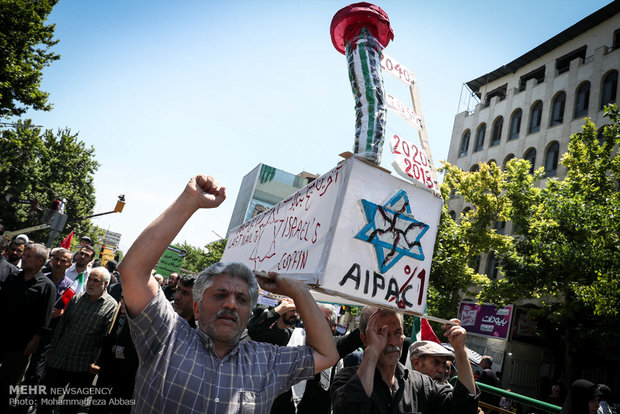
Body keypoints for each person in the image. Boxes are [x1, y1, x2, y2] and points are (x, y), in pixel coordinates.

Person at [118, 174, 339, 413]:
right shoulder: (167, 337)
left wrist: (298, 291)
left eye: (242, 299)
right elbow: (133, 272)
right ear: (196, 308)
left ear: (249, 312)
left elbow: (326, 355)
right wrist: (189, 201)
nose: (231, 304)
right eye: (220, 295)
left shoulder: (267, 362)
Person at [330, 306, 479, 414]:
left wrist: (460, 351)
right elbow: (349, 407)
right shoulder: (346, 378)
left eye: (397, 333)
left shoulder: (421, 384)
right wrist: (373, 350)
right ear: (364, 338)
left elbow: (464, 406)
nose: (393, 342)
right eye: (382, 333)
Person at [39, 267, 117, 414]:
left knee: (70, 407)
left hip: (83, 365)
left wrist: (97, 363)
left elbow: (105, 339)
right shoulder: (77, 298)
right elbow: (62, 326)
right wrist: (52, 350)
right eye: (89, 279)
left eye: (96, 281)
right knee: (46, 401)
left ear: (105, 284)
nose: (90, 283)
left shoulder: (111, 306)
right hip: (59, 358)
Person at [0, 243, 55, 412]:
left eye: (28, 256)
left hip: (21, 345)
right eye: (24, 255)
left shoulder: (47, 287)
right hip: (2, 336)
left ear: (40, 261)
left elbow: (44, 321)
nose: (23, 258)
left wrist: (34, 341)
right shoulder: (13, 277)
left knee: (8, 382)